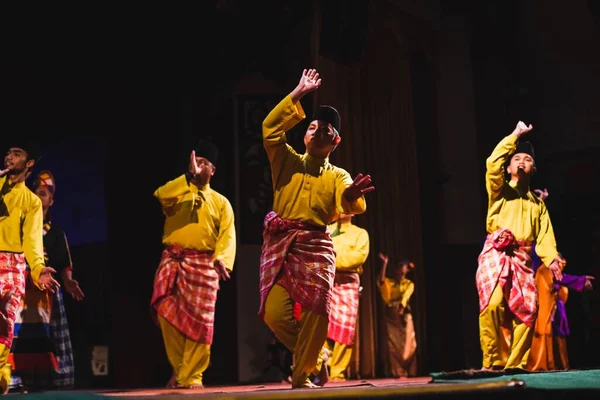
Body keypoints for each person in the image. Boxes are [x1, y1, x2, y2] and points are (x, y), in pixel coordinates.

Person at [258, 68, 375, 389]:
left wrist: (350, 196)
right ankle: (317, 357)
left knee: (315, 313)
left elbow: (349, 202)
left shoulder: (338, 175)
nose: (316, 130)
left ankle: (301, 377)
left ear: (335, 140)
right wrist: (297, 93)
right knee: (273, 314)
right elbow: (269, 130)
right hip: (283, 243)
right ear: (305, 136)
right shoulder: (287, 160)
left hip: (316, 246)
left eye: (325, 128)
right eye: (311, 126)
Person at [476, 121, 563, 371]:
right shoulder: (500, 191)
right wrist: (514, 135)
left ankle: (516, 364)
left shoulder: (538, 204)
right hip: (497, 253)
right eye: (517, 159)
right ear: (509, 168)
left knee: (527, 311)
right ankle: (491, 361)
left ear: (533, 168)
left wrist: (552, 258)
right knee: (492, 305)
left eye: (527, 159)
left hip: (523, 257)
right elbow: (492, 165)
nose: (522, 162)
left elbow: (545, 235)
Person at [150, 139, 236, 389]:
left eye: (205, 163)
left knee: (201, 324)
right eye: (197, 162)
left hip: (204, 266)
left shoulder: (221, 202)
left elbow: (228, 235)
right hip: (174, 261)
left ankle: (192, 376)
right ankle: (181, 371)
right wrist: (188, 177)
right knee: (166, 314)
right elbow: (160, 194)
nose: (200, 167)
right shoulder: (177, 192)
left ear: (214, 171)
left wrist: (223, 261)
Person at [10, 170, 85, 391]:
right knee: (15, 334)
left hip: (47, 293)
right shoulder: (20, 227)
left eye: (45, 193)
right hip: (21, 287)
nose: (40, 196)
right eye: (36, 192)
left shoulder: (55, 233)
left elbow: (63, 263)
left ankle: (50, 381)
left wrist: (68, 281)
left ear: (51, 200)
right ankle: (14, 377)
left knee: (46, 336)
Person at [0, 141, 60, 394]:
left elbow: (33, 241)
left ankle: (2, 373)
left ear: (29, 163)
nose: (9, 157)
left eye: (17, 154)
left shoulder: (31, 202)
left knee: (4, 321)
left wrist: (38, 269)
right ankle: (2, 375)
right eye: (8, 153)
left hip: (12, 266)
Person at [526, 189, 595, 371]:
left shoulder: (545, 250)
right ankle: (540, 364)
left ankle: (553, 365)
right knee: (541, 328)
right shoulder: (533, 251)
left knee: (554, 331)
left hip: (552, 298)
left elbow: (557, 274)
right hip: (536, 291)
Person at [323, 213, 369, 382]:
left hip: (348, 282)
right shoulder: (327, 231)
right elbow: (321, 252)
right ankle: (322, 367)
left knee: (345, 327)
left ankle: (338, 372)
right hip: (327, 279)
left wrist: (333, 259)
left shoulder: (360, 233)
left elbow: (357, 258)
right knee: (322, 325)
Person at [377, 253, 417, 378]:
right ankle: (398, 371)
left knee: (409, 342)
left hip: (404, 313)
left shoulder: (408, 284)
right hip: (392, 314)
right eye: (399, 267)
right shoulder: (391, 283)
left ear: (407, 270)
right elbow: (381, 281)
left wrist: (402, 306)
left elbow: (406, 296)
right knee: (393, 343)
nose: (400, 269)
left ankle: (411, 371)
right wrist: (385, 263)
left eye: (403, 267)